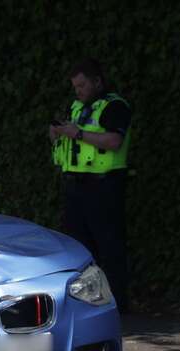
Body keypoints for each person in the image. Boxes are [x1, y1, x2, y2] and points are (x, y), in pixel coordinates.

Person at [50, 58, 132, 314]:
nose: (78, 91)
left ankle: (117, 305)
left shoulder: (114, 106)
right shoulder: (77, 107)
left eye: (82, 85)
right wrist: (56, 134)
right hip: (76, 186)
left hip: (103, 186)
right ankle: (85, 305)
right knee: (78, 249)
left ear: (98, 81)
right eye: (75, 87)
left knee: (109, 247)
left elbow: (114, 141)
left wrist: (78, 134)